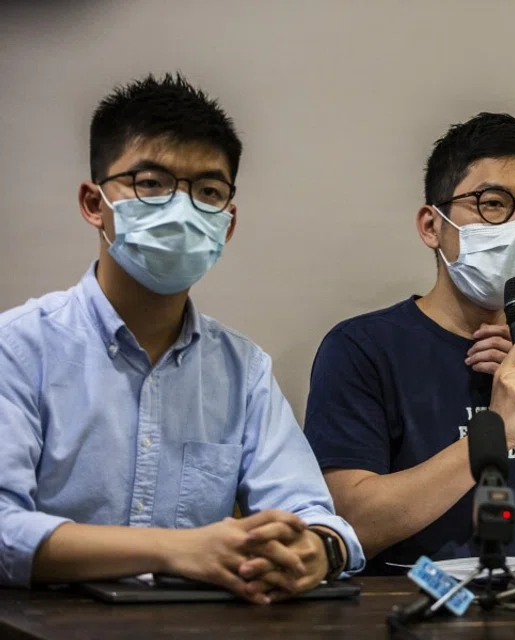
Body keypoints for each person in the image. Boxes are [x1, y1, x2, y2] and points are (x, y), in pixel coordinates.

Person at [0, 74, 363, 601]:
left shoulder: (243, 370)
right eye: (152, 183)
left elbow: (314, 515)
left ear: (227, 224)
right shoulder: (19, 346)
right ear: (93, 202)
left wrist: (317, 550)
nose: (183, 207)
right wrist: (173, 549)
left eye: (208, 192)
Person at [304, 113, 515, 574]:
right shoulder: (362, 347)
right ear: (432, 225)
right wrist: (497, 428)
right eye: (492, 203)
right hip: (401, 605)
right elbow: (350, 521)